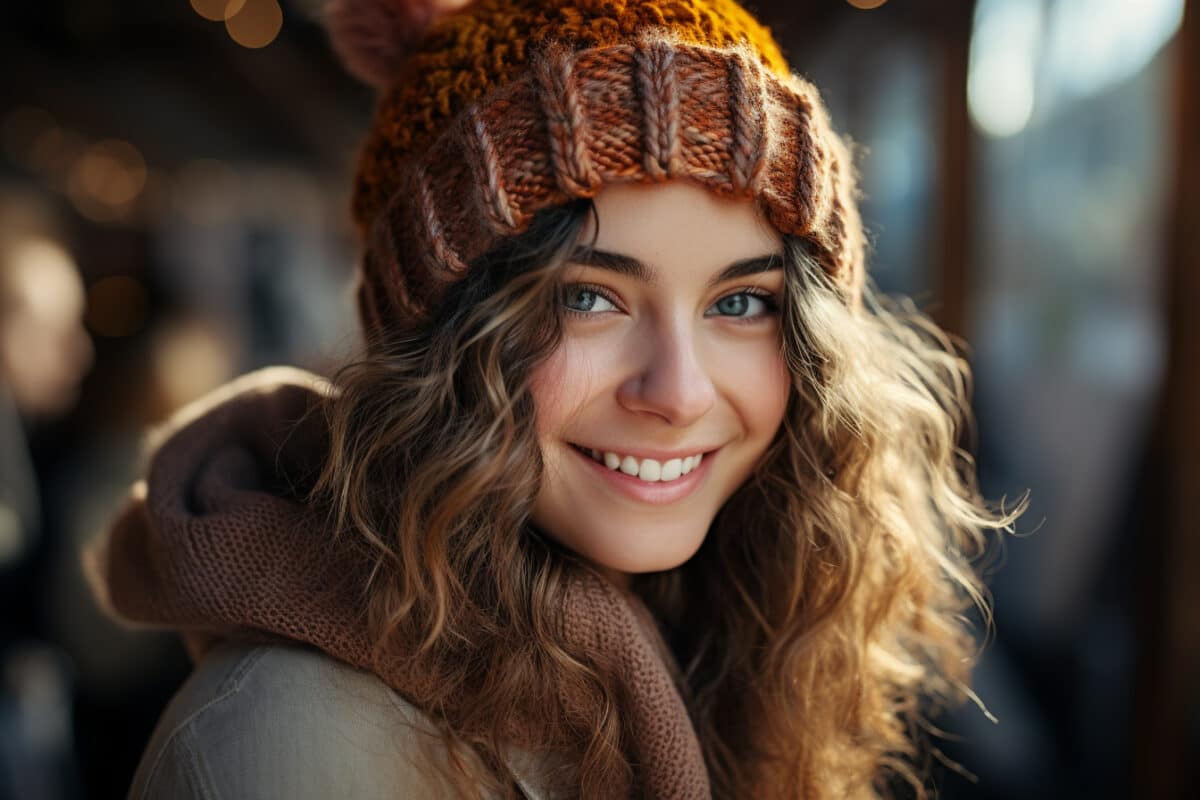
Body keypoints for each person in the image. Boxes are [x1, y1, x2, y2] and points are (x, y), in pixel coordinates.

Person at [84, 1, 1028, 798]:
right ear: (436, 341)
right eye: (587, 297)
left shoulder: (749, 638)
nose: (679, 392)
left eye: (741, 303)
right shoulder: (294, 747)